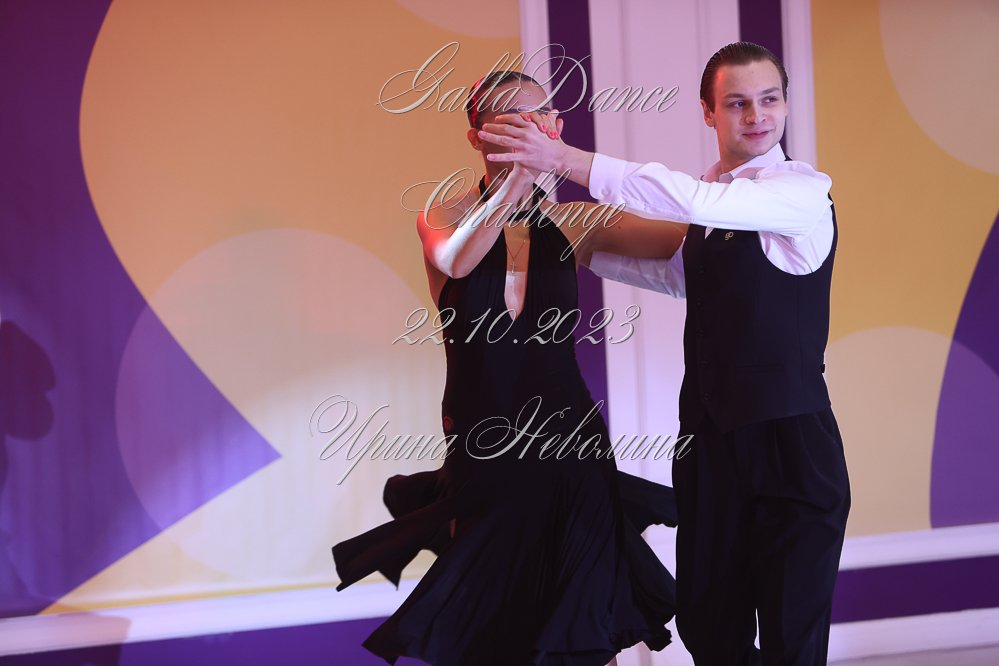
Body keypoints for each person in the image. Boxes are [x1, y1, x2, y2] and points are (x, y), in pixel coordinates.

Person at [477, 42, 851, 665]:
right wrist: (566, 240)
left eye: (769, 100)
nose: (756, 116)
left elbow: (691, 203)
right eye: (737, 103)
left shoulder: (802, 193)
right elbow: (677, 276)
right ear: (709, 112)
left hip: (790, 445)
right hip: (708, 443)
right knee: (708, 628)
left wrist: (565, 158)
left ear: (786, 105)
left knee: (793, 641)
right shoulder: (709, 200)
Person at [331, 70, 688, 665]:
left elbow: (686, 241)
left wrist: (746, 196)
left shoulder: (573, 222)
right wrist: (519, 178)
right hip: (485, 447)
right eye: (510, 119)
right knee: (493, 627)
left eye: (539, 116)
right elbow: (457, 260)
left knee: (582, 614)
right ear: (477, 136)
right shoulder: (442, 215)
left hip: (571, 446)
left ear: (556, 127)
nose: (529, 128)